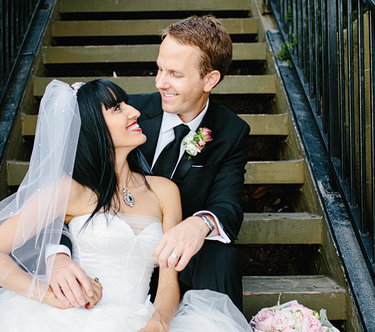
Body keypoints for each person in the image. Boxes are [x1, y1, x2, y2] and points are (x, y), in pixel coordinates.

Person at [0, 79, 292, 332]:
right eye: (118, 108)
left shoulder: (164, 192)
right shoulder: (68, 191)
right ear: (93, 127)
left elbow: (169, 283)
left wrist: (158, 325)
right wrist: (50, 297)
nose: (136, 111)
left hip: (141, 317)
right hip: (70, 325)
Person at [49, 16, 248, 310]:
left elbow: (228, 203)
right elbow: (63, 186)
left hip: (176, 261)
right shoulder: (128, 113)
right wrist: (57, 256)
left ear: (210, 79)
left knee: (223, 257)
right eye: (159, 69)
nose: (160, 82)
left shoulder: (231, 131)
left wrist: (200, 223)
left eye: (175, 74)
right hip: (108, 265)